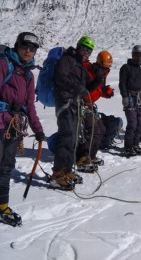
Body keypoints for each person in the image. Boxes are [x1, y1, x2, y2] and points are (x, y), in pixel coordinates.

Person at [0, 32, 45, 246]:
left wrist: (38, 129)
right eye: (24, 46)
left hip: (14, 126)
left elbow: (29, 105)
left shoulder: (28, 74)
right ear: (17, 46)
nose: (28, 51)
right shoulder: (1, 65)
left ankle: (0, 206)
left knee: (6, 168)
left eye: (32, 48)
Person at [49, 36, 102, 189]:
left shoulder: (80, 66)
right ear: (78, 46)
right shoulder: (66, 60)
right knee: (66, 137)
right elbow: (59, 78)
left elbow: (87, 87)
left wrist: (98, 78)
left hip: (75, 104)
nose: (86, 52)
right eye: (84, 48)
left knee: (73, 138)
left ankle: (66, 170)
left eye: (89, 50)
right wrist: (76, 87)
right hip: (65, 103)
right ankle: (58, 174)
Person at [77, 51, 114, 171]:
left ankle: (90, 156)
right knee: (91, 130)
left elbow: (96, 90)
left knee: (100, 129)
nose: (105, 70)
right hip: (81, 105)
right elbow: (87, 88)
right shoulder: (89, 70)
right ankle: (82, 159)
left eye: (107, 68)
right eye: (104, 67)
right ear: (99, 63)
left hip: (90, 105)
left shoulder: (102, 74)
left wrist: (105, 92)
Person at [119, 45, 141, 157]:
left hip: (140, 98)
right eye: (137, 55)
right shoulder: (125, 68)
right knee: (132, 123)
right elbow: (122, 84)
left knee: (140, 124)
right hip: (130, 97)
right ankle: (128, 146)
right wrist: (124, 97)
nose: (139, 57)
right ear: (132, 54)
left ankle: (135, 144)